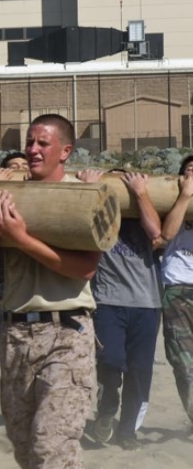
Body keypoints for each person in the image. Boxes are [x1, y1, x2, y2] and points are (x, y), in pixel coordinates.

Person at [0, 114, 99, 469]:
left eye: (43, 143)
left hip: (66, 333)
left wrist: (21, 237)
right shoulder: (9, 197)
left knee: (52, 446)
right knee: (26, 446)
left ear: (66, 151)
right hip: (15, 336)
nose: (33, 149)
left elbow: (85, 268)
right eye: (29, 142)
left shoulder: (80, 197)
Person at [78, 169, 162, 451]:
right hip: (108, 301)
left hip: (147, 304)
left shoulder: (147, 211)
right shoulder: (102, 214)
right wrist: (90, 189)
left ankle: (128, 431)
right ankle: (106, 409)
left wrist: (140, 193)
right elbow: (79, 226)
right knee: (110, 361)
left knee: (139, 372)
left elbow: (157, 233)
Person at [159, 155, 193, 427]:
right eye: (189, 170)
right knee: (182, 362)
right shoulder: (169, 199)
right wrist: (184, 197)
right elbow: (166, 235)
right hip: (177, 287)